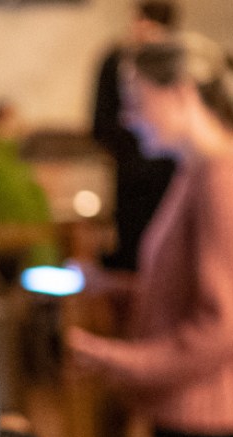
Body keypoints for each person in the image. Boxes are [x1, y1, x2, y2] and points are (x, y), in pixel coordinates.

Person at [66, 37, 233, 437]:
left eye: (137, 101)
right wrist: (110, 286)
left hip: (211, 423)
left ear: (182, 93)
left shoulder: (226, 178)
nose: (128, 117)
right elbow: (191, 291)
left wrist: (116, 359)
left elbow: (230, 326)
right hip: (190, 416)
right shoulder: (196, 171)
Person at [91, 1, 179, 272]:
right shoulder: (115, 61)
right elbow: (100, 122)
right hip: (130, 175)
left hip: (167, 174)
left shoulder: (175, 62)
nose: (130, 117)